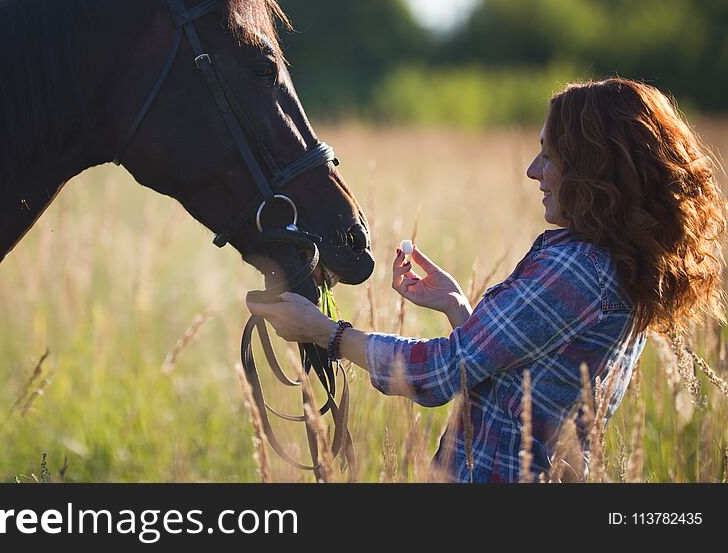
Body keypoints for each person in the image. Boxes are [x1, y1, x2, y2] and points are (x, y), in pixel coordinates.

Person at [246, 78, 727, 482]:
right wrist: (458, 307)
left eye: (549, 155)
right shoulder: (619, 265)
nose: (533, 171)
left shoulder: (579, 269)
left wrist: (325, 333)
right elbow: (530, 379)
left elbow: (435, 374)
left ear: (595, 168)